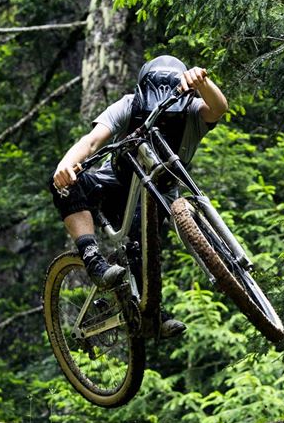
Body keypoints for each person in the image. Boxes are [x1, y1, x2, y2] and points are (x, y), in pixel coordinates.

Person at [50, 55, 228, 337]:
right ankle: (92, 259)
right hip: (115, 184)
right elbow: (93, 140)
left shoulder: (194, 110)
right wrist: (66, 165)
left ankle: (153, 314)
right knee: (64, 183)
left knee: (142, 248)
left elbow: (218, 107)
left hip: (158, 193)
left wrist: (202, 81)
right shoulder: (128, 104)